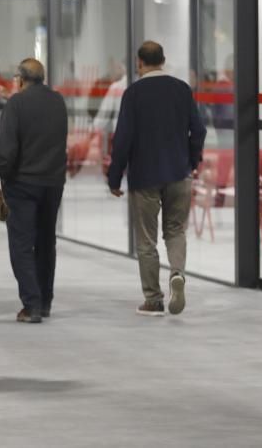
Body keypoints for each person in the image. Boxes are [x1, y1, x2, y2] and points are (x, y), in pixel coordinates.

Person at [107, 41, 207, 317]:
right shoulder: (181, 89)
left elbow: (123, 140)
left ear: (140, 63)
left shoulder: (134, 93)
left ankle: (153, 298)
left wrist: (114, 178)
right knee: (175, 230)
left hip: (145, 176)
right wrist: (191, 161)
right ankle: (177, 273)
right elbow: (198, 130)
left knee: (146, 240)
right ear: (163, 60)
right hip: (179, 173)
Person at [0, 58, 68, 324]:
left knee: (22, 244)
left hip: (23, 184)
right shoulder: (58, 101)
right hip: (52, 183)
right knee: (47, 242)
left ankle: (31, 304)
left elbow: (8, 149)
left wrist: (3, 175)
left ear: (20, 80)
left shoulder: (16, 104)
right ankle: (45, 301)